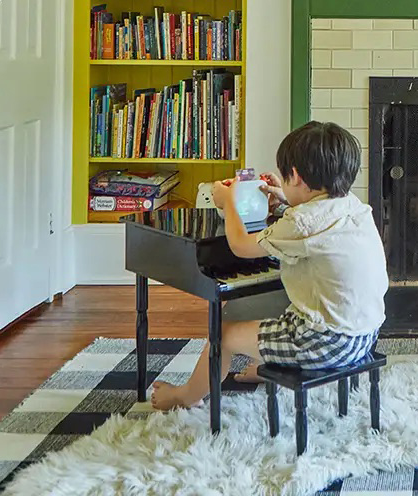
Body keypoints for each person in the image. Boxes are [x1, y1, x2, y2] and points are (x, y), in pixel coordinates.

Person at [151, 121, 388, 411]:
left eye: (287, 179)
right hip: (363, 334)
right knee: (268, 301)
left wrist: (229, 204)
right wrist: (286, 197)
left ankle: (186, 396)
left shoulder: (300, 223)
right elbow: (314, 220)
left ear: (297, 177)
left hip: (322, 344)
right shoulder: (351, 206)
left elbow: (240, 245)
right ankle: (264, 364)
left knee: (222, 333)